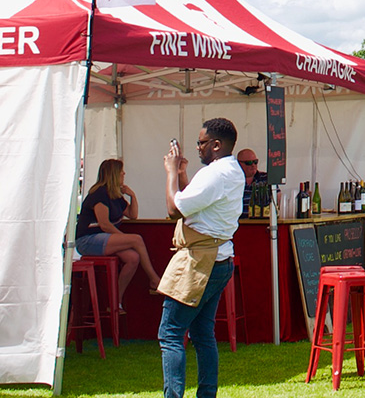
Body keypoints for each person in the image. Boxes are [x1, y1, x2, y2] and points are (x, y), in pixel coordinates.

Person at [159, 118, 245, 398]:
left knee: (170, 333)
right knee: (202, 333)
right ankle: (207, 394)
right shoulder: (230, 170)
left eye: (202, 143)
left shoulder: (215, 174)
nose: (198, 148)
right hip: (220, 259)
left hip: (201, 262)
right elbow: (196, 205)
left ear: (217, 145)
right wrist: (184, 175)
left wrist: (171, 172)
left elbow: (175, 209)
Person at [75, 159, 161, 304]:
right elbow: (104, 224)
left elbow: (132, 215)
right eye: (121, 172)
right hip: (87, 240)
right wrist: (127, 240)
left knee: (133, 258)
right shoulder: (99, 194)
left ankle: (116, 299)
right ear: (114, 174)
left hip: (103, 239)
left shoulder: (115, 195)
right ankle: (154, 280)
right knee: (136, 240)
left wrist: (132, 196)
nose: (124, 174)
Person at [237, 148, 268, 218]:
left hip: (260, 222)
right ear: (238, 163)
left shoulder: (266, 178)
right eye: (249, 163)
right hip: (238, 223)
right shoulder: (233, 180)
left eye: (255, 162)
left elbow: (278, 198)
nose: (253, 165)